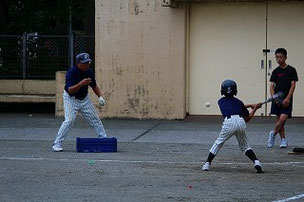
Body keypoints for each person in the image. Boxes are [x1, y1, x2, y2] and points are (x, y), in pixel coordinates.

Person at [202, 79, 263, 173]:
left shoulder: (221, 101)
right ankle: (256, 162)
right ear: (235, 90)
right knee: (244, 146)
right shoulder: (239, 102)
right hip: (240, 122)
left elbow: (234, 107)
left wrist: (252, 105)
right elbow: (247, 118)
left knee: (218, 143)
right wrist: (254, 108)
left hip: (229, 123)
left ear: (222, 91)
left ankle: (207, 164)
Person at [52, 53, 107, 152]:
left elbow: (94, 86)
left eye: (88, 63)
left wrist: (100, 96)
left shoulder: (89, 72)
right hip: (71, 98)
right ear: (78, 63)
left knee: (95, 118)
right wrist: (81, 83)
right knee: (69, 120)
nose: (87, 65)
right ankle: (57, 143)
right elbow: (70, 90)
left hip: (84, 98)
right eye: (84, 63)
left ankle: (103, 139)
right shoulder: (71, 73)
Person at [267, 48, 298, 148]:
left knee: (283, 119)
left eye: (280, 57)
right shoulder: (276, 71)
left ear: (285, 57)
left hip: (287, 100)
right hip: (277, 100)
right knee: (279, 121)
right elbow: (272, 86)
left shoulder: (291, 70)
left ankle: (273, 134)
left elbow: (293, 85)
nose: (278, 59)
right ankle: (283, 140)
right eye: (277, 57)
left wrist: (288, 98)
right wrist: (274, 97)